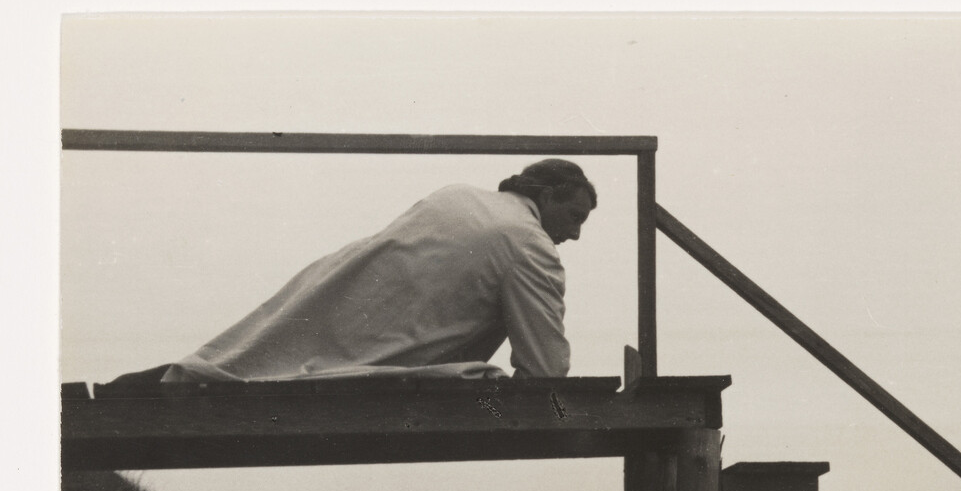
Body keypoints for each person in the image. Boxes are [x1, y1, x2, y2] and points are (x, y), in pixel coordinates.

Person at [107, 159, 596, 390]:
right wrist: (540, 409)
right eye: (574, 217)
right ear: (545, 196)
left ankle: (181, 374)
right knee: (297, 373)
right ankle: (185, 382)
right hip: (383, 339)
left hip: (337, 292)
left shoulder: (459, 194)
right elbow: (545, 371)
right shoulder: (529, 244)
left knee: (262, 351)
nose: (574, 235)